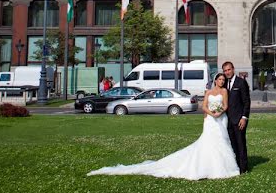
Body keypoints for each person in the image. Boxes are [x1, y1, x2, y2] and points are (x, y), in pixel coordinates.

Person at [88, 72, 239, 180]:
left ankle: (222, 167)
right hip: (210, 120)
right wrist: (211, 114)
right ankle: (209, 165)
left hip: (220, 118)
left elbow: (225, 105)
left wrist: (219, 112)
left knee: (221, 141)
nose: (221, 81)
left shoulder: (224, 91)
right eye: (219, 79)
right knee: (208, 141)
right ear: (215, 80)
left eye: (223, 80)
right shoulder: (209, 92)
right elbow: (204, 106)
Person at [222, 61, 251, 174]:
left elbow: (246, 102)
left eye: (229, 70)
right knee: (232, 145)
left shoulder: (241, 83)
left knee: (240, 144)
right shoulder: (224, 84)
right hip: (227, 121)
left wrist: (244, 117)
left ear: (233, 69)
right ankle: (236, 166)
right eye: (225, 70)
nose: (227, 72)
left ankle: (243, 169)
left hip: (239, 120)